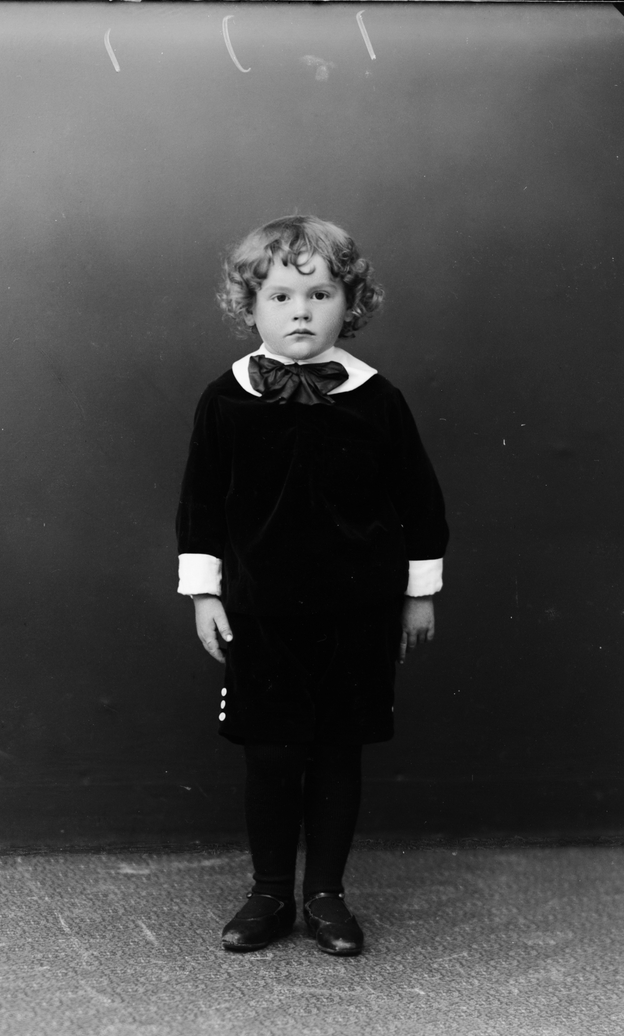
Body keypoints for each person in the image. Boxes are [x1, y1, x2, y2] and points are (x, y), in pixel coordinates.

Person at [176, 215, 448, 957]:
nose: (300, 311)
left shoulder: (377, 399)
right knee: (270, 754)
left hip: (357, 612)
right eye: (280, 296)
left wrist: (418, 594)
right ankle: (269, 893)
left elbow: (419, 503)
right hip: (260, 614)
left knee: (335, 754)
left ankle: (326, 894)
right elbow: (200, 504)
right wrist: (205, 594)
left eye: (320, 294)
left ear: (349, 304)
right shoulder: (225, 399)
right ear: (250, 306)